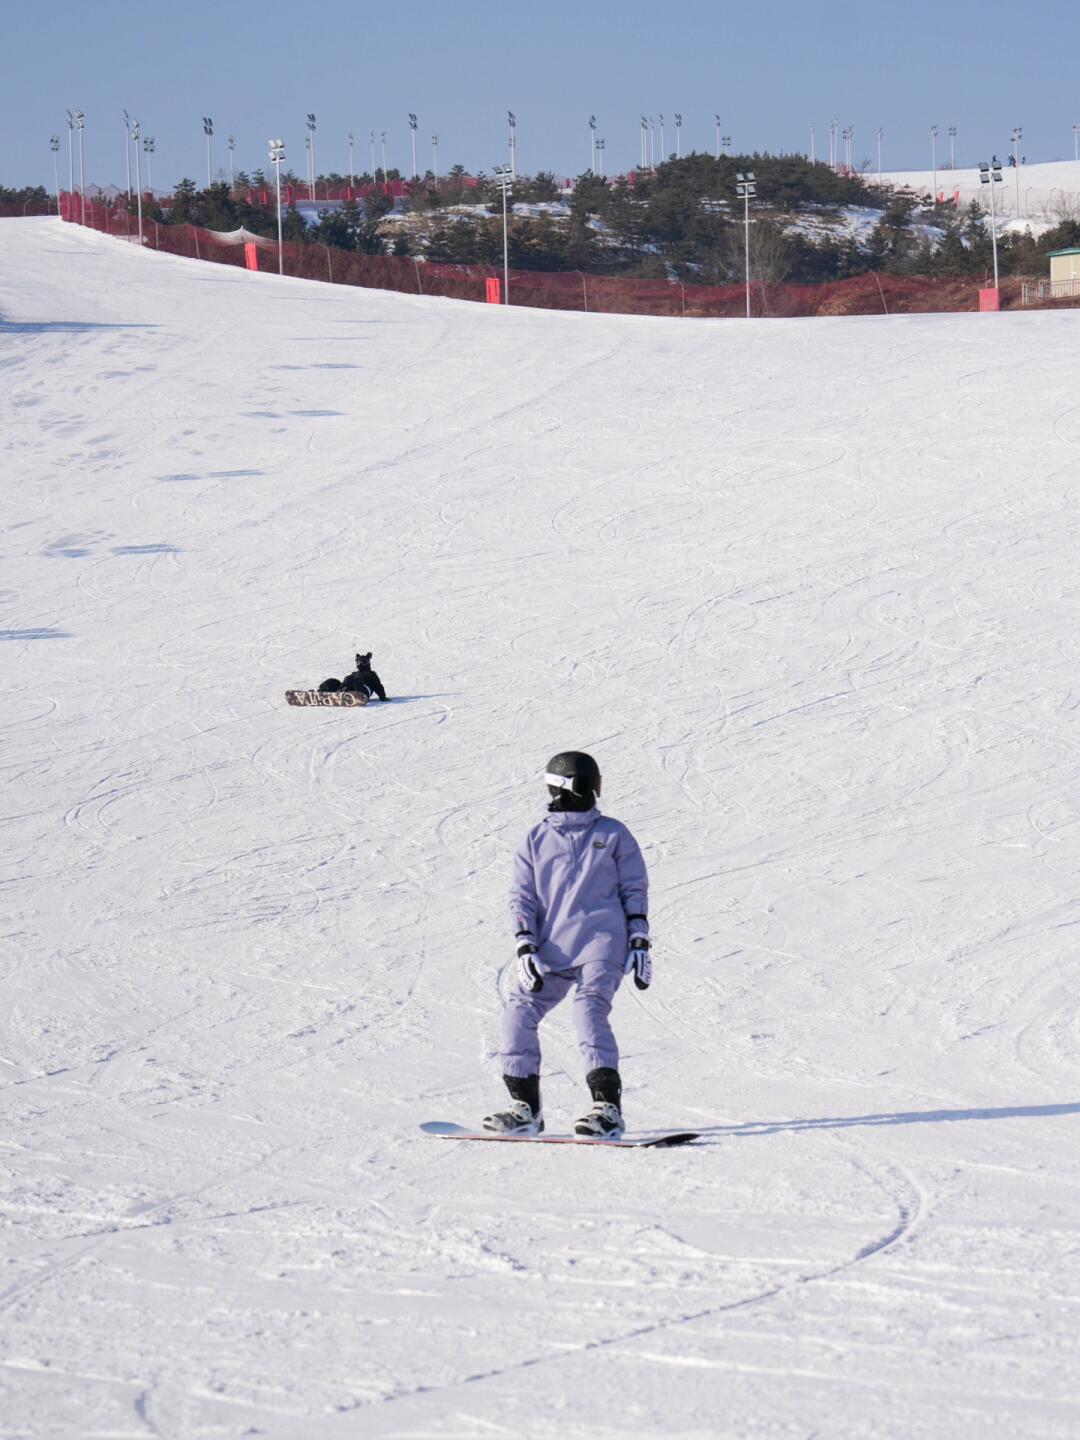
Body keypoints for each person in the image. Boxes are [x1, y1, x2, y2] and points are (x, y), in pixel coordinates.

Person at [484, 751, 652, 1139]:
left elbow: (633, 887)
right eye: (592, 783)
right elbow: (522, 896)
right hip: (553, 948)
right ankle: (525, 1109)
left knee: (588, 1011)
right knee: (517, 1013)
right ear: (579, 785)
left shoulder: (612, 834)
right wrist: (525, 945)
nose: (597, 791)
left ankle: (607, 1108)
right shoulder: (536, 838)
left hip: (603, 943)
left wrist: (639, 940)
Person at [318, 651, 388, 700]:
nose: (362, 664)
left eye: (364, 662)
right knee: (333, 681)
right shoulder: (354, 674)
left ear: (368, 663)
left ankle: (344, 693)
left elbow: (378, 686)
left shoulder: (372, 674)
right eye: (359, 662)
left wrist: (382, 697)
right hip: (348, 689)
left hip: (363, 693)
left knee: (350, 678)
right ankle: (321, 692)